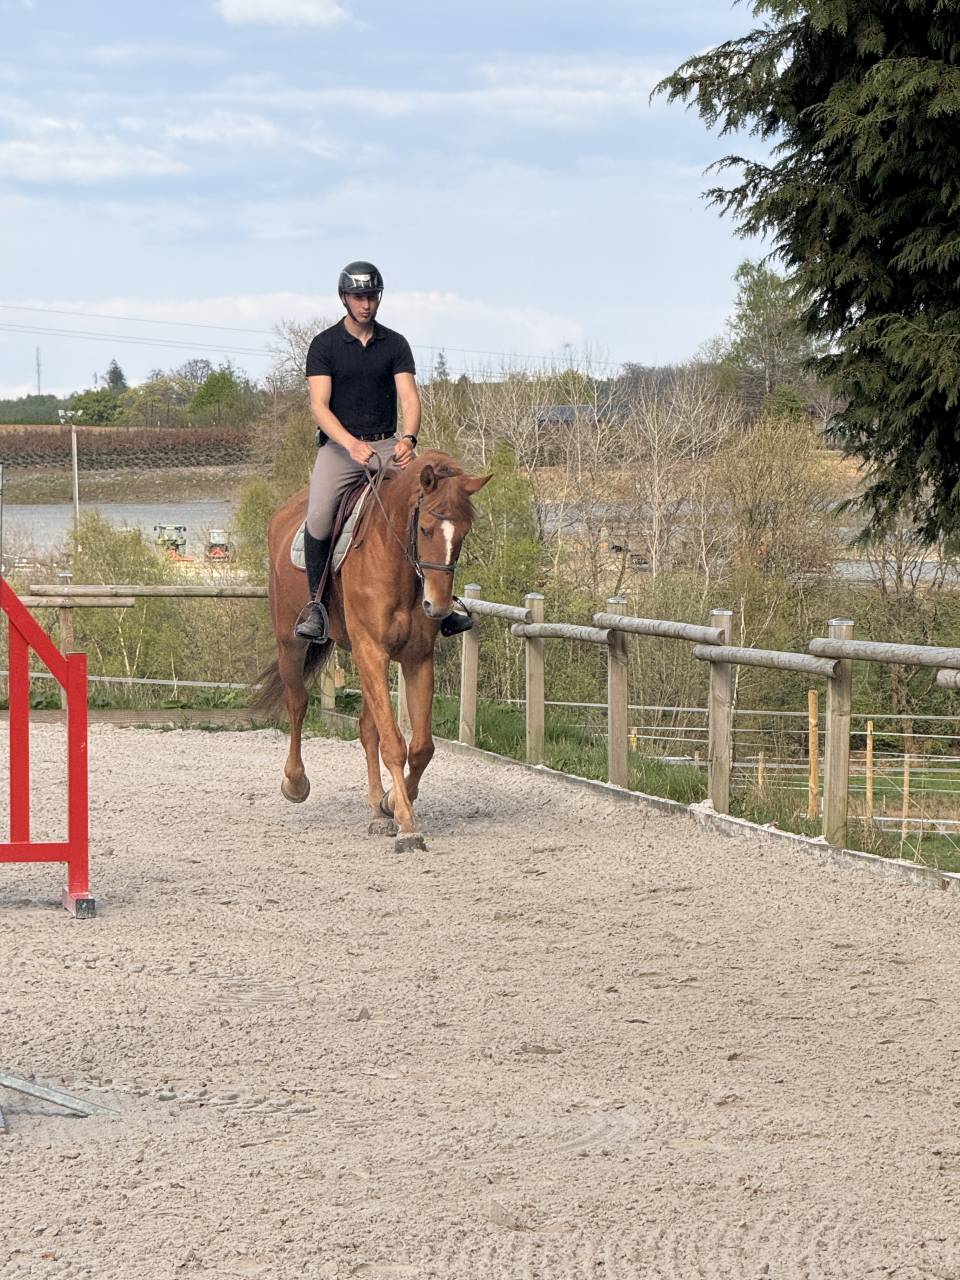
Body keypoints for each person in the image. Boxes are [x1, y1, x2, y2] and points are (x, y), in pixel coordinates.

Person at [295, 260, 472, 643]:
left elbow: (409, 398)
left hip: (389, 445)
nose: (366, 304)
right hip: (341, 449)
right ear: (344, 298)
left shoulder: (395, 344)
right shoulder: (324, 345)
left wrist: (408, 439)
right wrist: (350, 443)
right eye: (358, 297)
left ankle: (443, 605)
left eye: (372, 297)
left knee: (434, 506)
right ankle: (317, 607)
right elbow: (319, 406)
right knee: (320, 517)